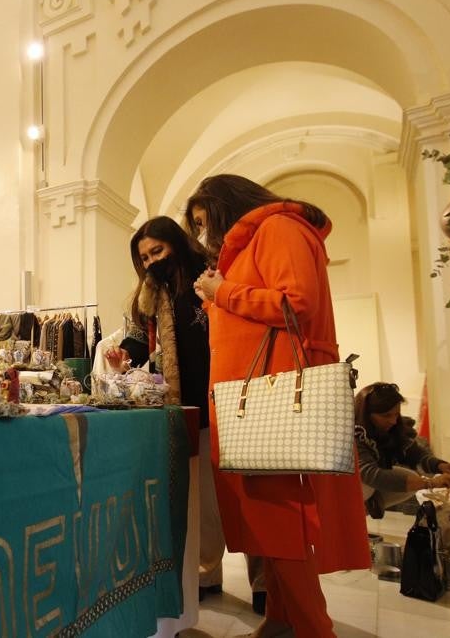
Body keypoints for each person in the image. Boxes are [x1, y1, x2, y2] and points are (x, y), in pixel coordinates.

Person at [187, 174, 369, 638]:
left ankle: (312, 628)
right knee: (268, 522)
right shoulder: (259, 238)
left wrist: (221, 292)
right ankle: (284, 621)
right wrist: (216, 298)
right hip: (256, 397)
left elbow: (296, 302)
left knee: (281, 522)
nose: (205, 235)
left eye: (205, 222)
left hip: (275, 396)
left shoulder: (278, 228)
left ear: (223, 206)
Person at [108, 216, 224, 600]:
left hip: (223, 394)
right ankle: (207, 574)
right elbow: (139, 343)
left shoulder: (207, 278)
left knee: (242, 494)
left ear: (175, 242)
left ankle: (263, 583)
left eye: (157, 251)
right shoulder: (149, 296)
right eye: (143, 257)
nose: (150, 262)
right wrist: (122, 354)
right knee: (202, 498)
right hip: (181, 406)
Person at [355, 382, 450, 519]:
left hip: (364, 487)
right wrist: (429, 483)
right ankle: (356, 509)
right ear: (366, 414)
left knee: (409, 476)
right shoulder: (353, 435)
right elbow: (372, 475)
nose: (393, 421)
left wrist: (441, 466)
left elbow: (413, 453)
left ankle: (368, 505)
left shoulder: (389, 428)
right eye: (386, 415)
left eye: (396, 415)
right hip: (341, 489)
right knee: (378, 481)